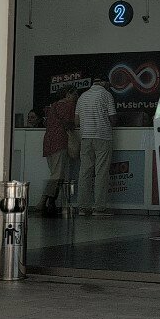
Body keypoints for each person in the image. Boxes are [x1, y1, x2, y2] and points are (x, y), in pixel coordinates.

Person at [75, 77, 117, 216]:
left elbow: (76, 121)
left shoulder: (82, 96)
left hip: (85, 137)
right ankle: (99, 208)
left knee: (85, 172)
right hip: (102, 136)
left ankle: (83, 207)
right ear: (103, 82)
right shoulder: (106, 95)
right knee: (101, 172)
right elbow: (113, 119)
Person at [39, 89, 78, 216]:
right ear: (68, 94)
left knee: (55, 173)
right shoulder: (69, 105)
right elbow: (69, 123)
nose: (76, 96)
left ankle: (51, 202)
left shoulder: (53, 106)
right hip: (60, 140)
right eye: (74, 94)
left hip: (48, 141)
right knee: (57, 174)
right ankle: (43, 201)